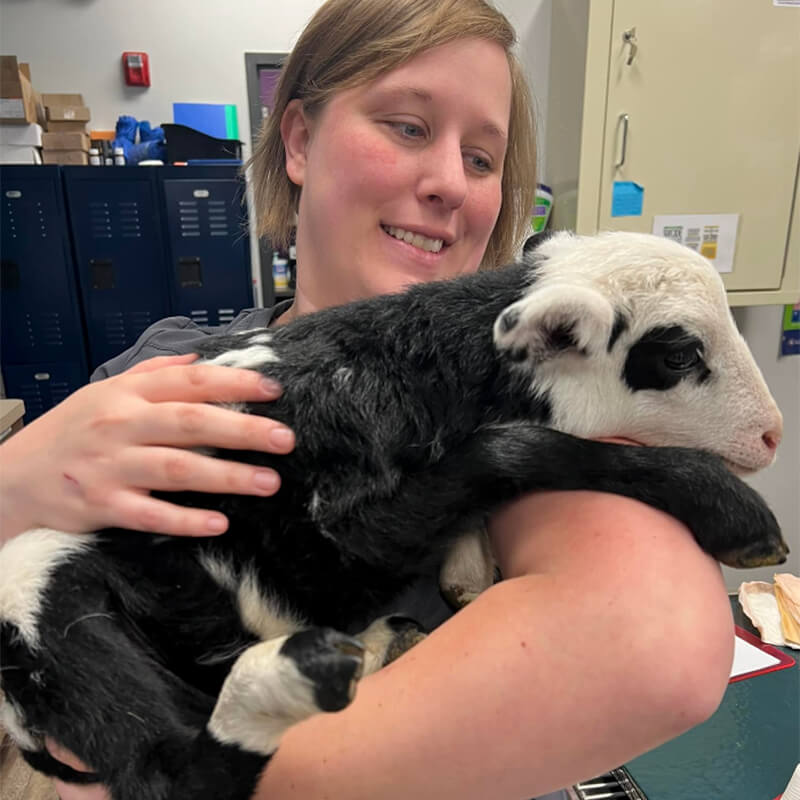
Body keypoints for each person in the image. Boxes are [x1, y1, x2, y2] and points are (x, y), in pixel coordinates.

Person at [0, 0, 734, 798]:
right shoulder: (165, 368)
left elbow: (663, 653)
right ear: (302, 141)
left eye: (484, 159)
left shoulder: (523, 394)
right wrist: (15, 479)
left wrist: (198, 777)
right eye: (408, 127)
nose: (452, 183)